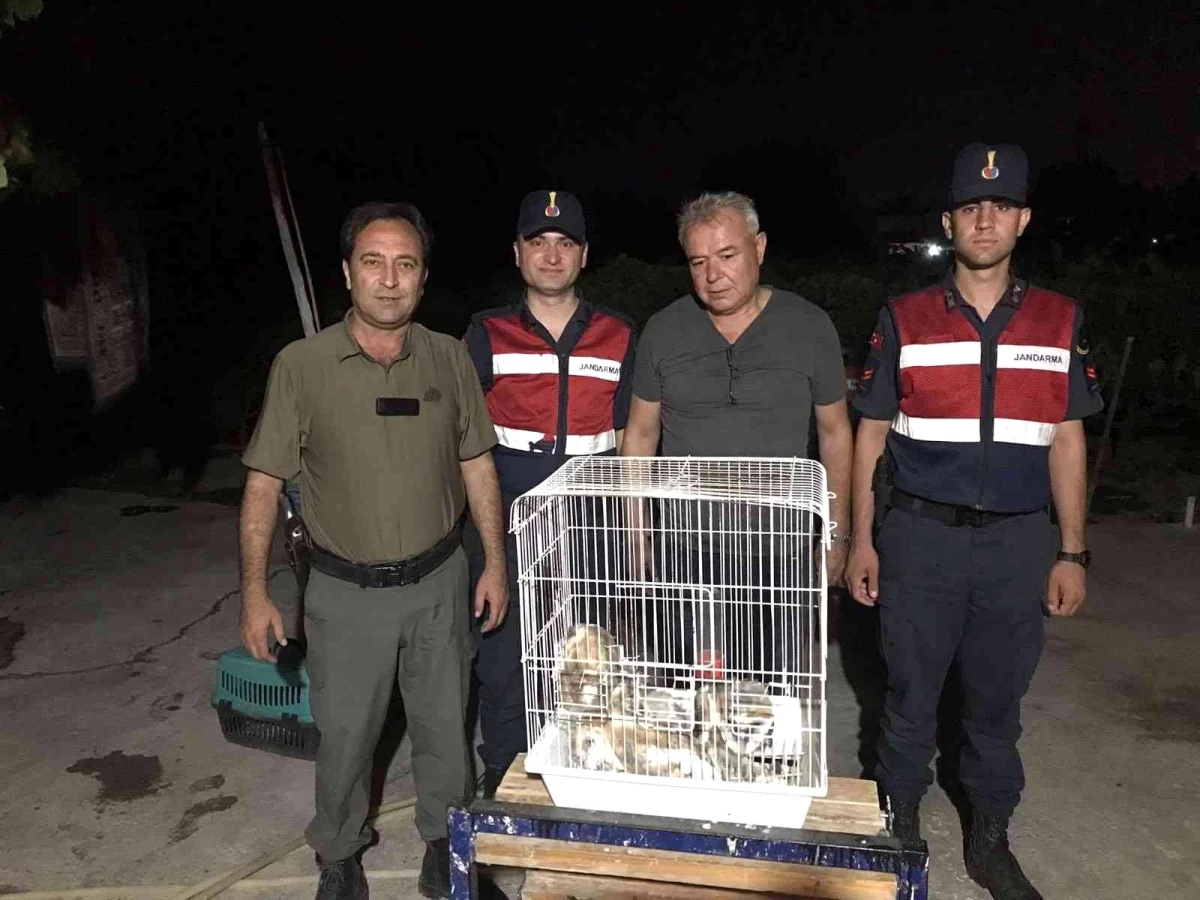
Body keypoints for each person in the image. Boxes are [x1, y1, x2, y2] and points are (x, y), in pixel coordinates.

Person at [845, 143, 1103, 900]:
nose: (983, 219)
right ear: (949, 220)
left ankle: (990, 841)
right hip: (919, 540)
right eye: (968, 206)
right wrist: (862, 538)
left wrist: (1073, 552)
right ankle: (899, 833)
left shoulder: (1060, 319)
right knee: (907, 699)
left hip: (1019, 543)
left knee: (996, 703)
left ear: (1022, 219)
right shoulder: (905, 317)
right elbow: (870, 431)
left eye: (999, 206)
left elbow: (1067, 436)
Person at [237, 201, 508, 900]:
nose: (390, 280)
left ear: (422, 279)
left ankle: (447, 846)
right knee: (347, 737)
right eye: (374, 262)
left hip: (439, 583)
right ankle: (339, 854)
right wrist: (256, 595)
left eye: (406, 264)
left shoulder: (448, 357)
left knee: (446, 730)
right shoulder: (302, 365)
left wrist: (494, 564)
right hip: (342, 593)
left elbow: (478, 464)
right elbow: (264, 485)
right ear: (347, 274)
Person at [621, 191, 854, 675]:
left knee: (776, 700)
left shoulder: (809, 326)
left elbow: (834, 433)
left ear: (760, 248)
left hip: (781, 552)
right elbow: (640, 436)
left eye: (727, 256)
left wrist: (836, 534)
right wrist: (637, 531)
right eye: (698, 261)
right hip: (687, 552)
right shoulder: (664, 331)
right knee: (696, 696)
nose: (713, 275)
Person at [462, 189, 637, 796]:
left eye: (565, 244)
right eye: (539, 243)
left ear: (584, 256)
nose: (552, 256)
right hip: (509, 518)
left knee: (590, 657)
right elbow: (464, 442)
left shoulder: (619, 334)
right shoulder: (487, 332)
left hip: (596, 522)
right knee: (504, 660)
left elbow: (632, 437)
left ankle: (585, 773)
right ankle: (505, 781)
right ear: (517, 253)